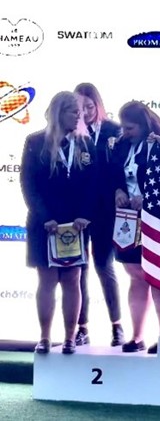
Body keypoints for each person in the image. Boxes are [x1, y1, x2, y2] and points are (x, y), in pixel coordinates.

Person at [20, 91, 97, 355]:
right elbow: (28, 185)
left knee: (73, 279)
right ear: (58, 113)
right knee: (47, 279)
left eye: (80, 112)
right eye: (73, 111)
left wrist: (84, 215)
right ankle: (44, 337)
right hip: (44, 223)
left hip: (75, 225)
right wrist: (46, 218)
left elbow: (92, 185)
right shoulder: (35, 142)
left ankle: (69, 338)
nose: (79, 116)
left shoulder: (86, 144)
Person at [111, 101, 160, 354]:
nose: (125, 132)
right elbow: (110, 175)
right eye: (123, 128)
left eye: (130, 128)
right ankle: (137, 335)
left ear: (144, 124)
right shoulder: (121, 146)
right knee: (136, 276)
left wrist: (149, 197)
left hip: (159, 218)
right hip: (128, 219)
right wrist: (117, 190)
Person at [73, 83, 124, 347]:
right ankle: (81, 328)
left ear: (98, 105)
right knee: (79, 269)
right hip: (78, 211)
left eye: (90, 106)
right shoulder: (71, 132)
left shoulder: (115, 130)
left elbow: (121, 168)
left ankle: (117, 326)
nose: (85, 112)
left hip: (106, 211)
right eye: (80, 108)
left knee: (104, 266)